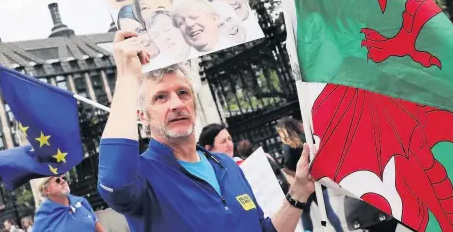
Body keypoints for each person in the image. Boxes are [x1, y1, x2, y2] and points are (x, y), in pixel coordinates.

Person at [97, 30, 315, 231]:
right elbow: (114, 184)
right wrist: (127, 77)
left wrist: (299, 191)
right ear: (142, 116)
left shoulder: (226, 164)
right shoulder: (141, 175)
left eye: (183, 93)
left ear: (193, 104)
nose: (176, 104)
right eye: (160, 97)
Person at [276, 117, 344, 232]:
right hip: (317, 181)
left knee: (305, 215)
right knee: (328, 212)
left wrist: (284, 169)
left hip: (303, 185)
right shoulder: (307, 138)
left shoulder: (288, 146)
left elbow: (288, 166)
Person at [33, 175, 106, 232]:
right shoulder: (43, 216)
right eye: (57, 180)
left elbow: (99, 229)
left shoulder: (81, 201)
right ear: (46, 190)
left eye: (63, 178)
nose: (63, 181)